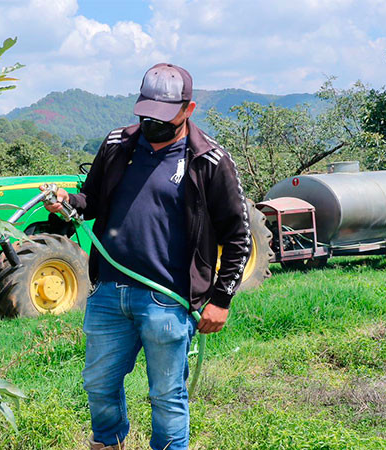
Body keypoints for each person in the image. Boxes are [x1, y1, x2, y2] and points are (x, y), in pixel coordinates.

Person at [43, 63, 251, 449]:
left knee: (166, 397)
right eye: (146, 115)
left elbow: (239, 236)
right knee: (98, 384)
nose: (152, 125)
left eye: (163, 117)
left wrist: (220, 300)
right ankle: (108, 443)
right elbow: (91, 201)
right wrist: (68, 202)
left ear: (188, 110)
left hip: (167, 301)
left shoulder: (210, 161)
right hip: (108, 294)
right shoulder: (117, 144)